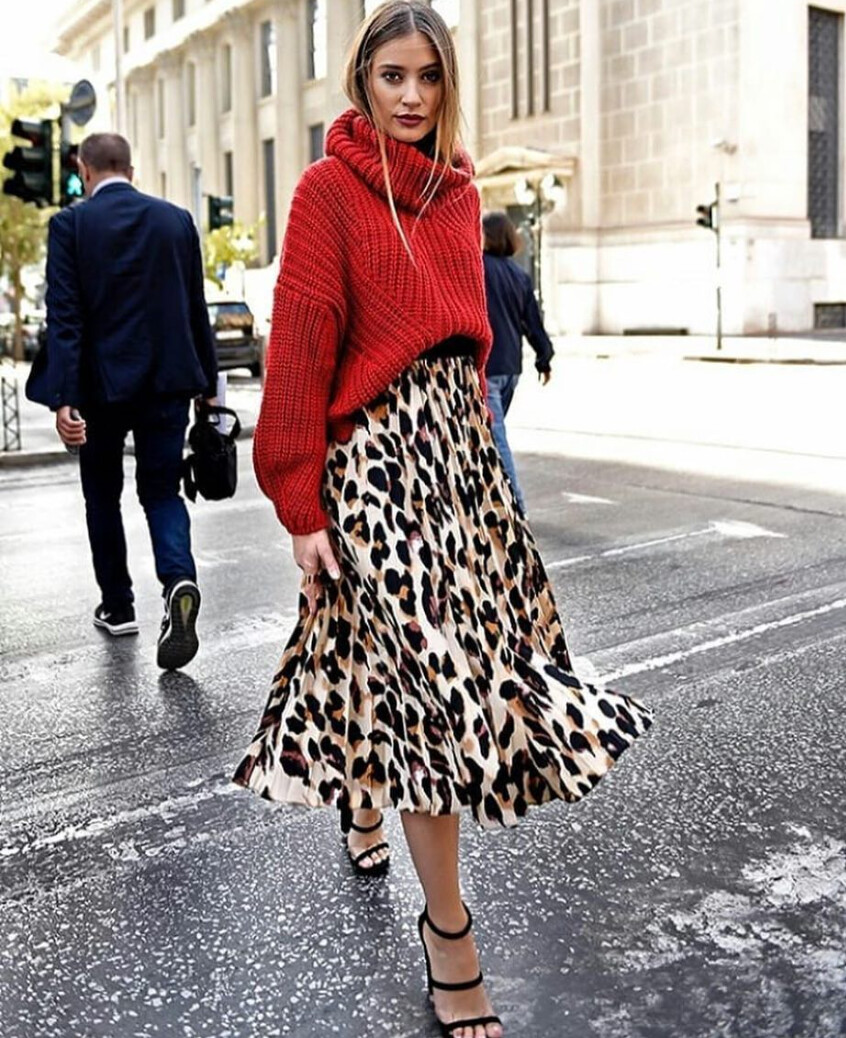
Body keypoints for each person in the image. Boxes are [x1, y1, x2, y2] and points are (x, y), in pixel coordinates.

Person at [233, 4, 652, 1036]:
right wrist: (299, 497)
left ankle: (364, 792)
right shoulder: (327, 191)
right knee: (427, 689)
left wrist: (487, 484)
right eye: (391, 75)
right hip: (372, 458)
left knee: (438, 670)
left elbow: (466, 350)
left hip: (458, 460)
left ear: (447, 82)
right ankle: (449, 932)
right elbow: (300, 343)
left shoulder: (462, 199)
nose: (411, 95)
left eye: (427, 75)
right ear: (361, 79)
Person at [40, 132, 217, 671]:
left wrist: (65, 398)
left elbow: (65, 317)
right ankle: (178, 578)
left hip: (100, 390)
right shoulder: (176, 220)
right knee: (162, 491)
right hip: (169, 383)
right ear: (132, 169)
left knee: (102, 496)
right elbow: (195, 307)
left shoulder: (70, 225)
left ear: (83, 169)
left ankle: (118, 606)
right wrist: (210, 389)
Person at [483, 211, 554, 515]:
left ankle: (516, 509)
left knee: (496, 438)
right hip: (512, 368)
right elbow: (533, 324)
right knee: (488, 436)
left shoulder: (478, 268)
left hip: (486, 368)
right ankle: (488, 501)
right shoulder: (519, 276)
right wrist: (544, 359)